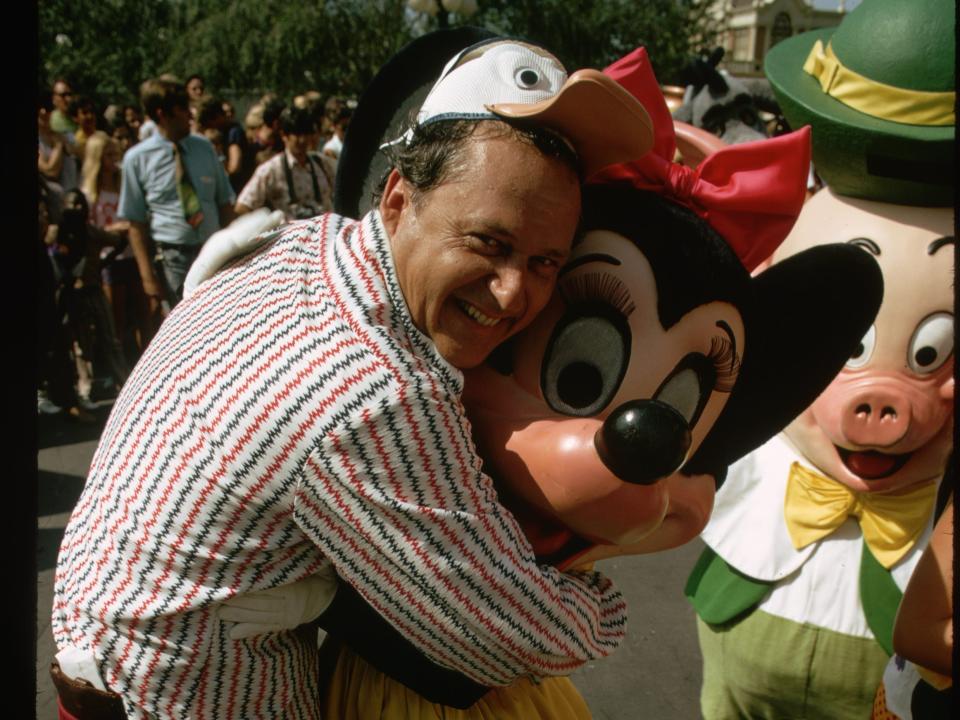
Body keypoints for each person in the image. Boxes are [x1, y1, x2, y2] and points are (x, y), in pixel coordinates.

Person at [50, 37, 654, 719]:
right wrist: (597, 596)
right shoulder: (376, 390)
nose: (514, 293)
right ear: (398, 200)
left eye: (547, 263)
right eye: (489, 243)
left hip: (106, 662)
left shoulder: (306, 245)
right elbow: (518, 637)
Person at [117, 77, 235, 313]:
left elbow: (225, 203)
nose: (191, 115)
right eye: (182, 109)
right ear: (162, 114)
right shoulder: (137, 159)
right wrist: (147, 279)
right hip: (173, 259)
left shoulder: (205, 148)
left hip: (213, 253)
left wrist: (232, 252)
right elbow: (135, 223)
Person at [235, 105, 336, 221]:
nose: (302, 140)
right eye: (297, 135)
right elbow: (243, 206)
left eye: (306, 134)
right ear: (284, 135)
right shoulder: (271, 169)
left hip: (324, 232)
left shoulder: (322, 164)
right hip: (291, 235)